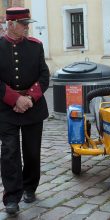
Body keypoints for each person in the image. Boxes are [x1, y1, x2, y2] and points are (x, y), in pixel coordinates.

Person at [0, 7, 49, 214]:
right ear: (11, 25)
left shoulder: (36, 46)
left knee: (31, 151)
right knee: (9, 152)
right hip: (5, 108)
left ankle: (30, 187)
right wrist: (15, 99)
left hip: (32, 107)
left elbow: (44, 76)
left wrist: (29, 98)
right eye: (23, 24)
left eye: (28, 24)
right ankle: (12, 197)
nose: (27, 28)